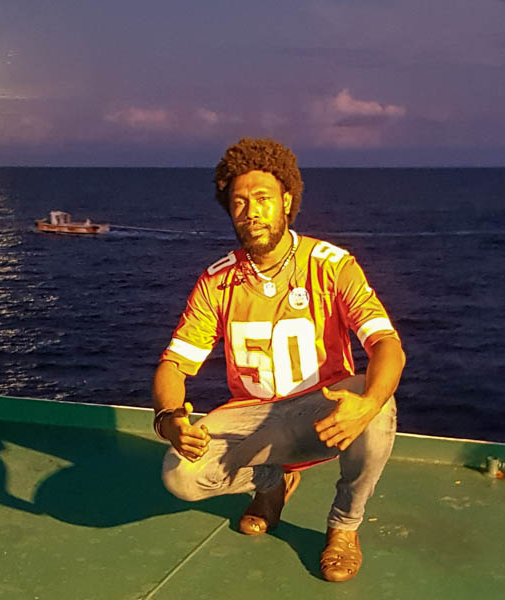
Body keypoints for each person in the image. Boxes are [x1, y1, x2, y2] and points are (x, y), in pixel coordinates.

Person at [152, 138, 405, 582]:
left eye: (263, 199)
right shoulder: (217, 282)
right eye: (240, 203)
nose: (252, 211)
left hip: (323, 413)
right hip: (257, 421)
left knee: (378, 403)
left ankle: (344, 526)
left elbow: (387, 345)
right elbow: (175, 365)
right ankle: (272, 484)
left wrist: (365, 403)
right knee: (180, 475)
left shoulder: (331, 265)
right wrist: (169, 418)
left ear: (287, 201)